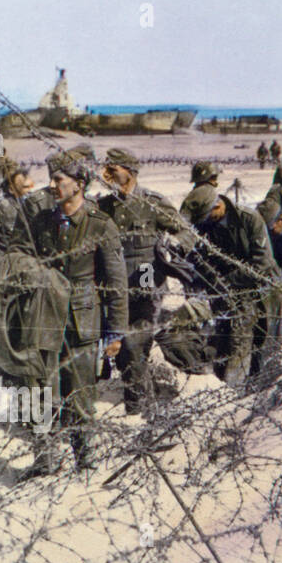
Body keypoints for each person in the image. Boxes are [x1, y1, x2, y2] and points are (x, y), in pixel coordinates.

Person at [26, 150, 127, 470]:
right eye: (52, 179)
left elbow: (116, 283)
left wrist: (115, 332)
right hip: (45, 319)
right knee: (41, 394)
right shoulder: (41, 221)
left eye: (59, 179)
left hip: (82, 322)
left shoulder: (100, 225)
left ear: (79, 183)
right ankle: (45, 462)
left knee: (81, 396)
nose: (53, 186)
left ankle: (85, 462)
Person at [96, 147, 189, 415]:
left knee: (134, 347)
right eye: (107, 168)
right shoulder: (104, 206)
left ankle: (138, 410)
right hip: (114, 288)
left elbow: (183, 230)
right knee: (123, 351)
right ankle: (141, 404)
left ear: (130, 171)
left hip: (146, 282)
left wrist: (175, 245)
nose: (108, 173)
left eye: (114, 168)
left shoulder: (153, 202)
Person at [181, 183, 282, 387]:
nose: (204, 223)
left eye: (206, 217)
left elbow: (261, 264)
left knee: (263, 346)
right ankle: (228, 390)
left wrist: (225, 282)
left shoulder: (249, 219)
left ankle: (259, 392)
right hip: (227, 293)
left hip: (262, 290)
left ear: (217, 206)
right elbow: (198, 259)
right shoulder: (205, 225)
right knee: (227, 343)